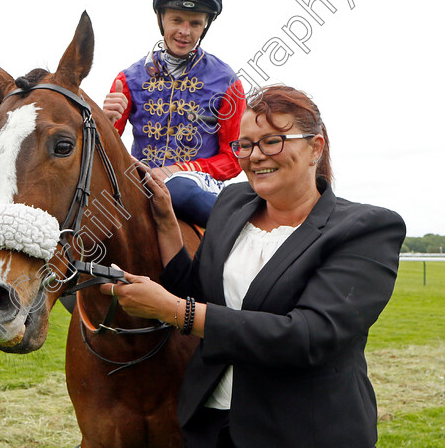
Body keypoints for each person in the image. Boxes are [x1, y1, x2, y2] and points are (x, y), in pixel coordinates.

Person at [102, 85, 405, 447]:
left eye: (272, 141)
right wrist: (167, 221)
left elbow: (306, 336)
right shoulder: (232, 202)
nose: (255, 156)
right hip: (212, 426)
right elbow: (200, 294)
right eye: (245, 144)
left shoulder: (366, 229)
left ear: (315, 148)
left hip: (304, 431)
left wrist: (173, 311)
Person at [103, 0, 246, 227]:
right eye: (177, 20)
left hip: (196, 184)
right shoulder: (126, 79)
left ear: (205, 27)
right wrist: (105, 121)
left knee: (178, 188)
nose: (185, 31)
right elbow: (104, 150)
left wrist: (178, 170)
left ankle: (245, 232)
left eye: (195, 23)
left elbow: (234, 159)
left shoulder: (228, 83)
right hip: (141, 179)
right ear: (161, 19)